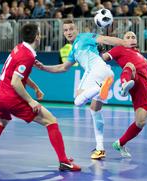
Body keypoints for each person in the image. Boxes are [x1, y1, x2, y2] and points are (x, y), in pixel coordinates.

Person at [0, 23, 81, 171]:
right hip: (11, 97)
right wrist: (31, 100)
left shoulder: (19, 48)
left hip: (0, 96)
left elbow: (19, 75)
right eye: (40, 34)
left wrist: (35, 88)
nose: (41, 36)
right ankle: (64, 161)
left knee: (1, 122)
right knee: (51, 121)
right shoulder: (27, 55)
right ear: (36, 37)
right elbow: (16, 82)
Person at [35, 19, 135, 160]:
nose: (68, 32)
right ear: (63, 33)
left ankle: (101, 86)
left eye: (71, 29)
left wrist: (124, 43)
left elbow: (105, 39)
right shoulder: (73, 50)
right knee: (95, 109)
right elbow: (63, 67)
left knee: (78, 101)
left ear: (77, 30)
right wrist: (44, 67)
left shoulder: (85, 36)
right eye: (66, 30)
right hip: (106, 73)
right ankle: (100, 148)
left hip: (97, 71)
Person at [102, 31, 147, 157]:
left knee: (141, 122)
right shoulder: (119, 49)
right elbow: (105, 57)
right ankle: (123, 85)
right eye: (127, 37)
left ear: (136, 40)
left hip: (144, 87)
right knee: (130, 65)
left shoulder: (138, 53)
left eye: (133, 36)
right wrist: (100, 51)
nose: (131, 38)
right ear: (123, 40)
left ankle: (120, 143)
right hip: (133, 78)